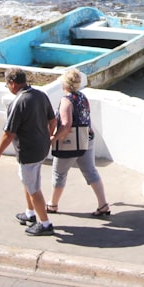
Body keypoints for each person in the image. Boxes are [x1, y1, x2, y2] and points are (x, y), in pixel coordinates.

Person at [0, 68, 57, 236]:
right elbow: (52, 120)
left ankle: (45, 224)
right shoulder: (40, 95)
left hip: (28, 152)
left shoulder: (18, 102)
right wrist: (47, 136)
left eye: (7, 84)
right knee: (28, 182)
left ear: (12, 83)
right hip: (41, 147)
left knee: (33, 188)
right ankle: (30, 213)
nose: (7, 87)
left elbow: (8, 133)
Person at [47, 68, 111, 217]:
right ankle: (103, 204)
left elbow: (66, 124)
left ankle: (52, 204)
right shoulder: (82, 97)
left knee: (59, 173)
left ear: (65, 84)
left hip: (71, 143)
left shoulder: (66, 100)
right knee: (90, 171)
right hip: (87, 138)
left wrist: (53, 139)